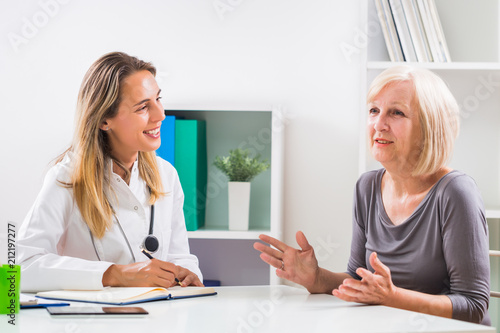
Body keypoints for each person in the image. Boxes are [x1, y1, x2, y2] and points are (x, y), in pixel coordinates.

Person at [254, 66, 490, 325]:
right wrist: (316, 278)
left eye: (396, 112)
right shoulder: (367, 187)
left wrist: (392, 297)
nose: (379, 124)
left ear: (428, 127)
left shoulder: (455, 193)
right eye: (374, 110)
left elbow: (473, 305)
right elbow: (359, 282)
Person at [18, 52, 204, 292]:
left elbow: (180, 256)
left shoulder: (166, 174)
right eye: (143, 107)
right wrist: (116, 274)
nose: (161, 115)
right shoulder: (67, 179)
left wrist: (186, 272)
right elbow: (22, 267)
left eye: (158, 99)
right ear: (105, 120)